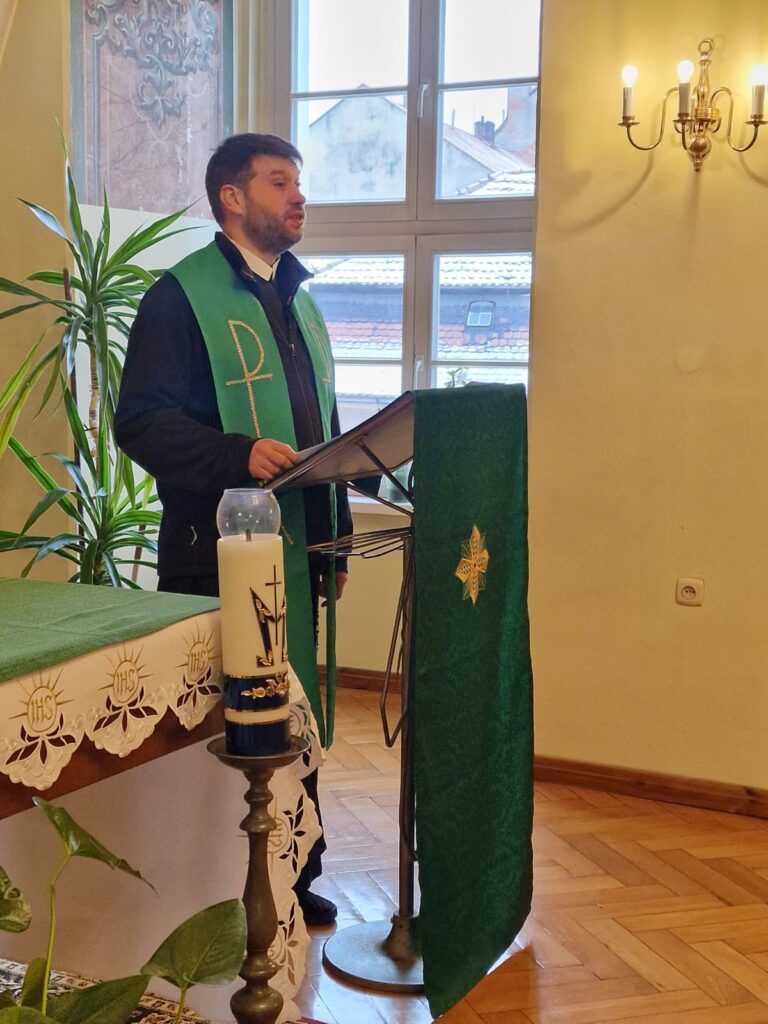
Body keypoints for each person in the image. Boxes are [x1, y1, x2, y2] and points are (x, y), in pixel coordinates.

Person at [115, 132, 352, 927]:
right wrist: (236, 454)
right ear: (232, 197)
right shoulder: (180, 298)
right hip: (211, 555)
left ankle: (294, 869)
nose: (298, 196)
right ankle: (217, 886)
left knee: (294, 710)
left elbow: (324, 428)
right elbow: (140, 423)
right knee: (232, 718)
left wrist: (335, 534)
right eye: (279, 182)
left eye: (298, 182)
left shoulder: (299, 299)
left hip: (298, 549)